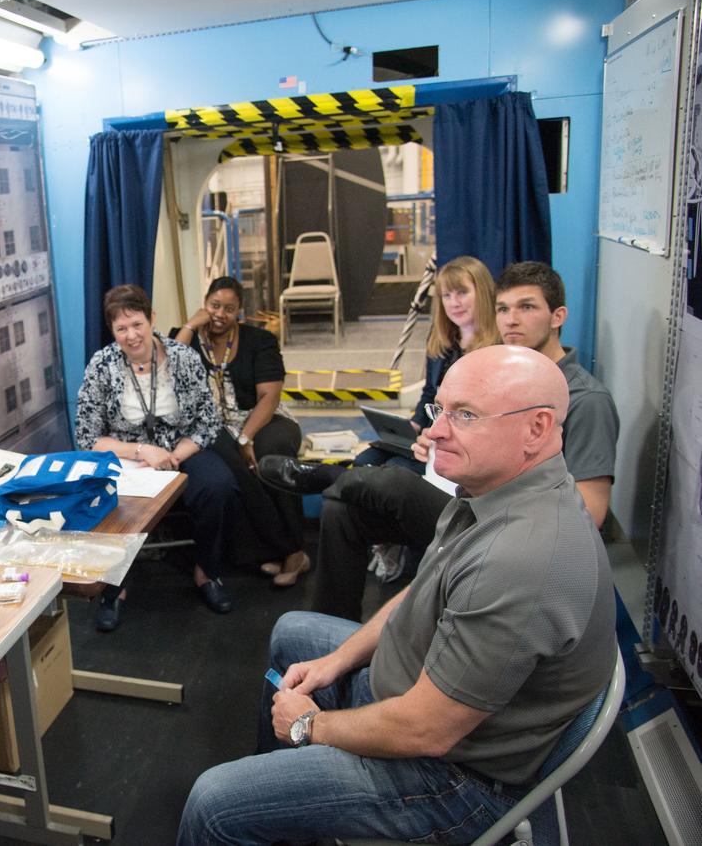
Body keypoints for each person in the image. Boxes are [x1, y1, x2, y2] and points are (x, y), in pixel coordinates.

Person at [178, 345, 617, 845]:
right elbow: (420, 591)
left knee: (214, 802)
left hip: (450, 778)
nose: (436, 431)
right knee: (294, 633)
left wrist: (309, 727)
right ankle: (278, 813)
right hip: (415, 695)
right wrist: (335, 662)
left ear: (536, 428)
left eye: (465, 415)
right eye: (440, 410)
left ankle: (262, 807)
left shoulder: (521, 559)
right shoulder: (490, 491)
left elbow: (426, 731)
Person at [262, 261, 619, 622]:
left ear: (558, 316)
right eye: (502, 309)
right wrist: (437, 443)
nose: (511, 320)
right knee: (342, 512)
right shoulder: (498, 378)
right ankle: (331, 629)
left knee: (398, 484)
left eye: (527, 307)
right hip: (464, 500)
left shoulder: (586, 400)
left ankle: (328, 476)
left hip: (507, 528)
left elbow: (589, 513)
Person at [75, 284, 238, 628]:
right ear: (112, 330)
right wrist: (141, 451)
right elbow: (88, 436)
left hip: (180, 447)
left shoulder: (183, 358)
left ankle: (207, 572)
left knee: (218, 485)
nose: (131, 335)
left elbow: (208, 421)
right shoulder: (102, 365)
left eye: (137, 324)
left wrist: (175, 456)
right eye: (121, 328)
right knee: (104, 493)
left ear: (152, 319)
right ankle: (113, 588)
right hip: (127, 453)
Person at [171, 276, 309, 587]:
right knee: (230, 457)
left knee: (272, 453)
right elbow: (169, 372)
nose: (220, 314)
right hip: (212, 425)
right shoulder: (185, 337)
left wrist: (247, 437)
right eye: (214, 305)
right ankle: (287, 548)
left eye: (229, 308)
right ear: (204, 304)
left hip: (262, 417)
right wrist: (190, 325)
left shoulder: (259, 340)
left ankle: (292, 550)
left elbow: (269, 397)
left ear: (239, 312)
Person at [352, 256, 499, 472]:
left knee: (391, 470)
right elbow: (430, 393)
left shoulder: (497, 349)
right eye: (446, 295)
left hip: (456, 442)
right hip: (427, 434)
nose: (454, 303)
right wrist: (415, 423)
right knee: (364, 461)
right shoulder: (440, 340)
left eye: (462, 293)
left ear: (483, 292)